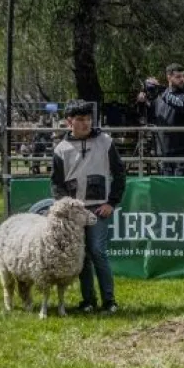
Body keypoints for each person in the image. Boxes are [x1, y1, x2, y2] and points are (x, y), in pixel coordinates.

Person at [51, 100, 126, 313]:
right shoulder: (61, 149)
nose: (86, 123)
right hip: (75, 212)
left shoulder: (105, 142)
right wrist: (66, 208)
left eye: (88, 119)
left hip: (98, 208)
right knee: (81, 255)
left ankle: (109, 301)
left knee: (97, 251)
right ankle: (88, 301)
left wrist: (111, 202)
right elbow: (57, 184)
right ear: (69, 122)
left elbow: (120, 173)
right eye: (80, 119)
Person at [137, 63, 184, 176]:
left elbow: (181, 105)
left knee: (182, 187)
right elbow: (147, 119)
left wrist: (160, 90)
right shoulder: (159, 97)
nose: (182, 79)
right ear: (169, 77)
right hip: (164, 154)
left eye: (183, 76)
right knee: (165, 187)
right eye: (178, 77)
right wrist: (142, 102)